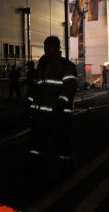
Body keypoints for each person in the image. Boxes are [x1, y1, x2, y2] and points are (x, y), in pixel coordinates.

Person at [21, 36, 78, 180]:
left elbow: (69, 89)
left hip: (59, 116)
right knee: (35, 146)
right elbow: (35, 87)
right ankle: (30, 170)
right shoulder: (42, 64)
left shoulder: (66, 65)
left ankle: (66, 173)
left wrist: (59, 106)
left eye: (51, 46)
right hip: (41, 115)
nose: (47, 49)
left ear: (58, 48)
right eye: (46, 46)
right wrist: (28, 102)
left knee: (63, 147)